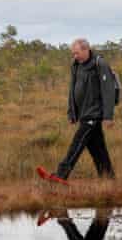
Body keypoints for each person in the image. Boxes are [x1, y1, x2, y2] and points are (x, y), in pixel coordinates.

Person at [39, 38, 116, 184]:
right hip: (83, 114)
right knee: (97, 149)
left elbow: (108, 91)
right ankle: (109, 179)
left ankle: (61, 175)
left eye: (77, 53)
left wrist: (108, 116)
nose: (75, 56)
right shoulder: (76, 65)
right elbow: (72, 90)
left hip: (94, 114)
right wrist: (72, 113)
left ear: (86, 50)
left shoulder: (100, 64)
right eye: (73, 54)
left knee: (77, 144)